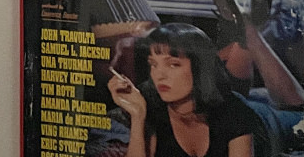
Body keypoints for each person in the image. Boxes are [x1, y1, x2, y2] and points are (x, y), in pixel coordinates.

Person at [108, 23, 259, 157]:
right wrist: (137, 116)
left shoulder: (234, 111)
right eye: (154, 64)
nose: (159, 75)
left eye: (173, 64)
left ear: (200, 67)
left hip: (267, 119)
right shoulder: (151, 108)